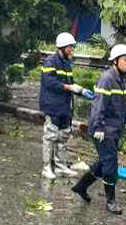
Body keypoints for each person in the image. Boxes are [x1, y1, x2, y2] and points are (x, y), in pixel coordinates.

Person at [71, 44, 126, 215]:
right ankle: (111, 201)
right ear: (115, 61)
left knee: (103, 163)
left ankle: (80, 187)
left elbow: (122, 104)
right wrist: (99, 127)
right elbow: (98, 106)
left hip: (114, 128)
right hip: (103, 129)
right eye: (125, 60)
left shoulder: (121, 80)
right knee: (110, 164)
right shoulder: (107, 79)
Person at [39, 32, 93, 180]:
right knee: (50, 136)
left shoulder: (67, 64)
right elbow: (49, 83)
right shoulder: (50, 62)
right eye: (70, 47)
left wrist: (81, 90)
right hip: (52, 105)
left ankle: (61, 167)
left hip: (65, 106)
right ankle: (46, 168)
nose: (72, 50)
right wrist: (69, 88)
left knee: (63, 136)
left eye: (73, 47)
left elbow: (70, 83)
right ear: (62, 47)